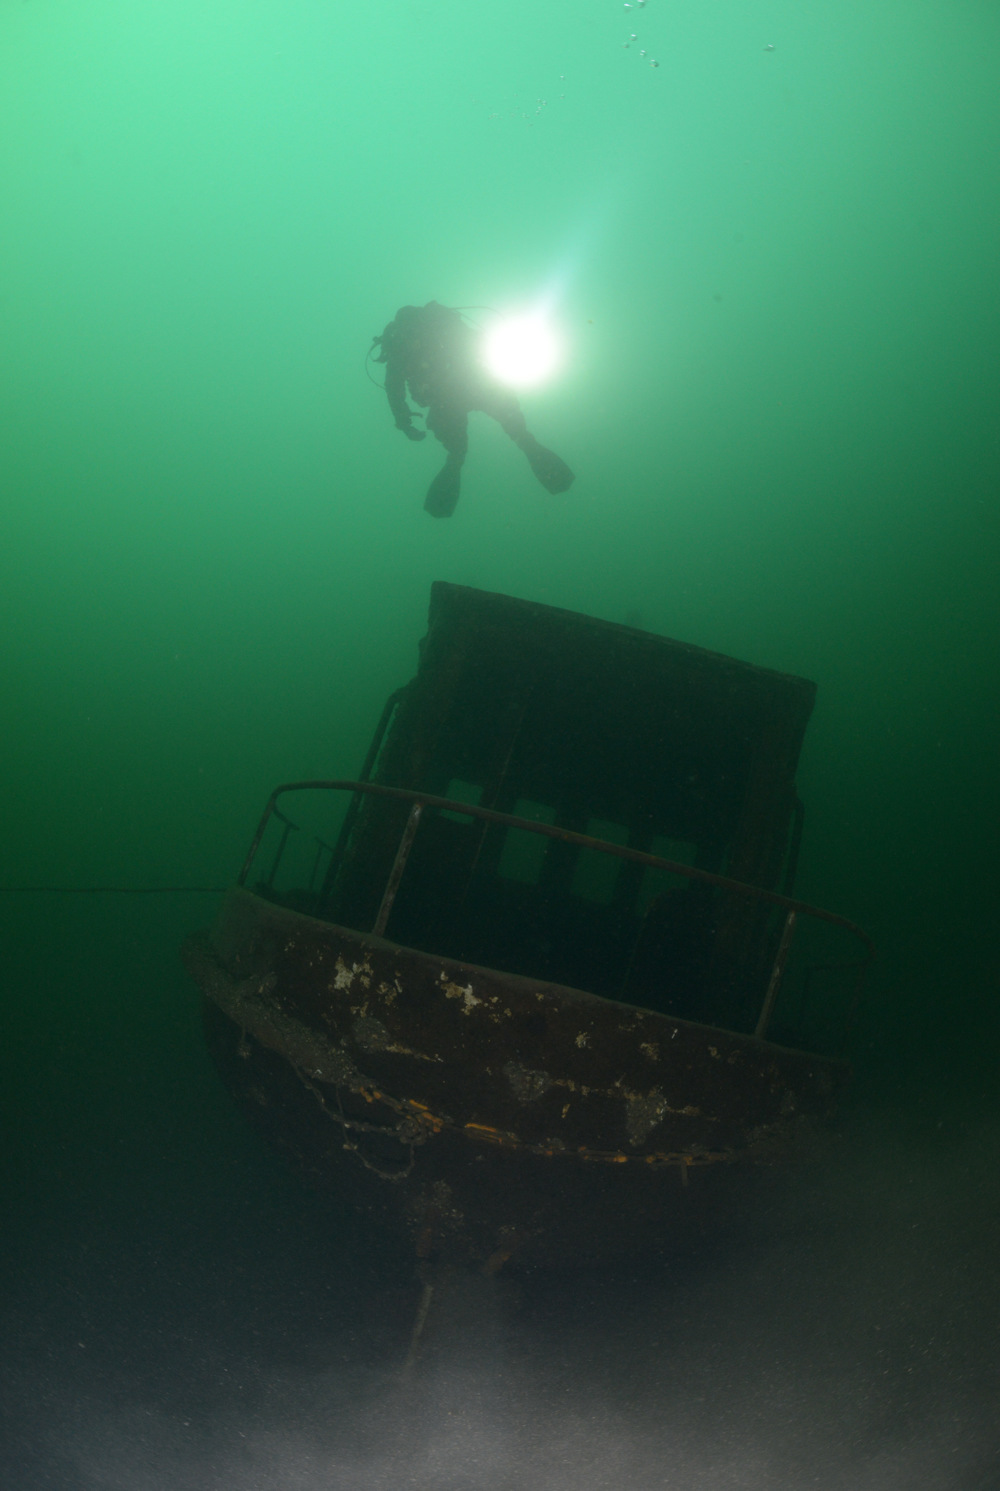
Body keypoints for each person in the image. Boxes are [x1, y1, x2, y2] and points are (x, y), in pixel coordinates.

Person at [373, 301, 575, 518]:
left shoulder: (400, 344)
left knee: (457, 453)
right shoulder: (434, 329)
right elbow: (479, 343)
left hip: (448, 399)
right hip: (474, 387)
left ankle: (451, 476)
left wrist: (404, 421)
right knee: (519, 435)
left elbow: (393, 388)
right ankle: (545, 465)